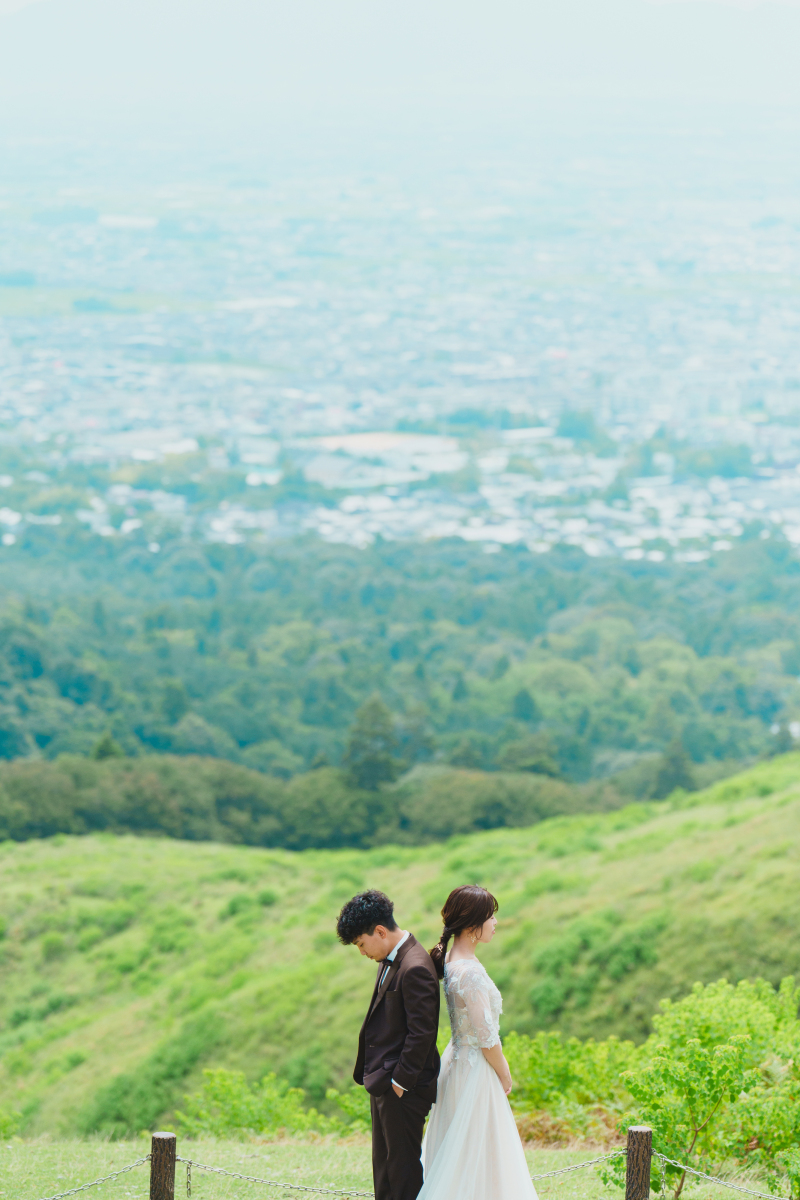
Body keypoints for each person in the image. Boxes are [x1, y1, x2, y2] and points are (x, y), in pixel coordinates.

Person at [418, 885, 538, 1200]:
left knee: (464, 1149)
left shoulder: (452, 962)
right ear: (473, 924)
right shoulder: (468, 972)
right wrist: (505, 1072)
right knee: (481, 1149)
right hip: (475, 1068)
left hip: (457, 1061)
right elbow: (486, 1037)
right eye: (491, 916)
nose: (496, 923)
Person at [337, 889, 440, 1200]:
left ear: (380, 931)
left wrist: (399, 1083)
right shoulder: (389, 957)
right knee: (384, 1166)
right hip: (384, 1080)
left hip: (403, 1087)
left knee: (403, 1170)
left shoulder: (416, 965)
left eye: (361, 944)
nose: (362, 952)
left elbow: (422, 1033)